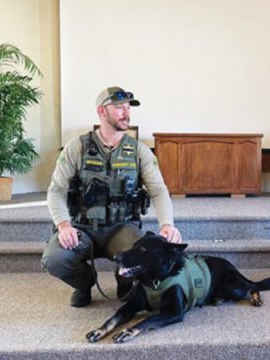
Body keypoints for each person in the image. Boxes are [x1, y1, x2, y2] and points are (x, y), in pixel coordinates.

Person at [41, 86, 182, 307]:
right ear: (101, 111)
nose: (126, 113)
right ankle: (84, 283)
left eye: (128, 107)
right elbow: (56, 189)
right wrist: (63, 225)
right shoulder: (76, 148)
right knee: (55, 259)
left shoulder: (139, 151)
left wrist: (167, 224)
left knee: (145, 256)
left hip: (122, 227)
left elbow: (158, 190)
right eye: (118, 107)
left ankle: (125, 280)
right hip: (82, 227)